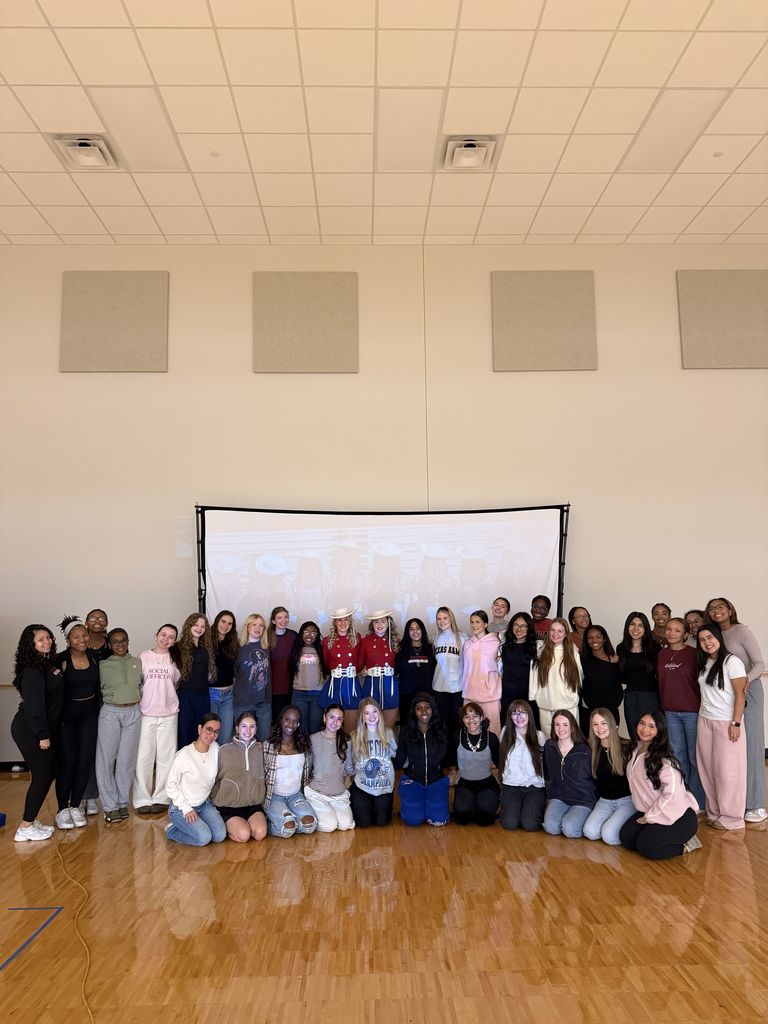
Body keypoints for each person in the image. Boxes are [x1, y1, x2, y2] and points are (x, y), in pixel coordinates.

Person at [704, 597, 766, 824]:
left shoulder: (741, 631)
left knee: (753, 747)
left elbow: (759, 663)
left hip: (748, 691)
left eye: (720, 606)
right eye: (711, 608)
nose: (716, 611)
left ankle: (756, 804)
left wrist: (744, 681)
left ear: (730, 609)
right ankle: (735, 803)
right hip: (725, 697)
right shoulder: (712, 635)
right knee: (733, 751)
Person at [620, 711, 700, 859]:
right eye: (642, 724)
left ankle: (688, 844)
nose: (645, 729)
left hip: (678, 816)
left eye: (651, 726)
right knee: (627, 838)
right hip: (650, 810)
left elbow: (672, 797)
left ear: (659, 731)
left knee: (647, 847)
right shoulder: (635, 749)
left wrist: (650, 817)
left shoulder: (665, 762)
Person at [11, 625, 63, 842]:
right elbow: (34, 707)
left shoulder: (45, 664)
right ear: (30, 644)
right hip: (31, 729)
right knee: (42, 776)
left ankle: (31, 820)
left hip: (41, 727)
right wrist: (43, 735)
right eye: (41, 639)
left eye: (48, 637)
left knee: (49, 773)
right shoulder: (33, 670)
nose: (47, 642)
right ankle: (25, 826)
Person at [696, 623, 748, 831]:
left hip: (727, 722)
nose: (707, 642)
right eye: (702, 639)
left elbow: (740, 695)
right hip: (705, 720)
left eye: (710, 637)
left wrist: (735, 723)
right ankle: (715, 811)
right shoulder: (705, 662)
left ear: (718, 637)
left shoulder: (732, 661)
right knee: (708, 769)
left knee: (728, 772)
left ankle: (732, 817)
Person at [54, 617, 99, 830]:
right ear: (68, 639)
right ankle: (62, 809)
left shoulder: (95, 657)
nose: (82, 639)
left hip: (89, 717)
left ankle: (75, 805)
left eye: (84, 635)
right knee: (68, 763)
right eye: (76, 636)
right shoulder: (60, 660)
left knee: (84, 762)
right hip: (67, 719)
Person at [657, 617, 706, 811]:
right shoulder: (662, 654)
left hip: (692, 712)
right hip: (670, 712)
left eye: (677, 630)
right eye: (669, 629)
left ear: (685, 634)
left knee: (695, 758)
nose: (671, 633)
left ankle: (699, 802)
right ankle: (682, 799)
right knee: (678, 756)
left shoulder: (694, 654)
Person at [95, 628, 142, 823]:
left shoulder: (137, 662)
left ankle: (122, 802)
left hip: (133, 713)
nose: (120, 645)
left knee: (126, 761)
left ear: (128, 641)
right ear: (109, 644)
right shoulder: (102, 665)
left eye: (124, 641)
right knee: (106, 761)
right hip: (111, 713)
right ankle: (109, 805)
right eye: (115, 641)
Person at [134, 623, 180, 815]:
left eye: (171, 637)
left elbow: (176, 682)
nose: (166, 639)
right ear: (156, 635)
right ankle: (142, 798)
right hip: (146, 713)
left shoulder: (175, 659)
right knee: (144, 757)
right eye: (163, 635)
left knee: (166, 758)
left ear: (174, 641)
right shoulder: (144, 657)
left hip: (169, 714)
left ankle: (162, 797)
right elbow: (139, 683)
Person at [166, 713, 227, 846]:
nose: (212, 735)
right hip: (181, 807)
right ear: (200, 729)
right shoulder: (184, 755)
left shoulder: (215, 748)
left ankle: (195, 825)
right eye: (209, 729)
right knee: (203, 838)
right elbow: (170, 786)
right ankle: (172, 829)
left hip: (204, 804)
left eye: (216, 732)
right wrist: (186, 808)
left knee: (219, 835)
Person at [394, 692, 449, 827]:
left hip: (436, 780)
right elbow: (399, 759)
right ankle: (413, 806)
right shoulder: (406, 731)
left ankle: (428, 804)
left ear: (433, 709)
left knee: (439, 821)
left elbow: (445, 757)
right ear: (414, 711)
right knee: (412, 820)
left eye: (427, 707)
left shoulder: (441, 728)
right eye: (419, 708)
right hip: (413, 779)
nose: (424, 712)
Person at [211, 711, 267, 842]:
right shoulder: (224, 750)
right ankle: (225, 825)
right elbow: (213, 779)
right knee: (244, 835)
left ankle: (243, 824)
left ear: (256, 729)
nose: (248, 730)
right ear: (237, 728)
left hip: (253, 805)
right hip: (229, 806)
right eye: (244, 726)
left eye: (252, 726)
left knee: (260, 834)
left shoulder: (261, 749)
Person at [262, 705, 317, 838]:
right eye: (287, 719)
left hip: (296, 795)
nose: (290, 724)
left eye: (295, 721)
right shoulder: (268, 745)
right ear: (281, 720)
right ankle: (274, 823)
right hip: (274, 797)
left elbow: (309, 773)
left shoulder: (304, 745)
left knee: (310, 825)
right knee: (288, 829)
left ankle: (289, 820)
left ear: (299, 723)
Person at [582, 709, 635, 845]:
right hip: (605, 801)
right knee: (590, 832)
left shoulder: (628, 747)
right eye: (595, 724)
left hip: (626, 800)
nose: (600, 728)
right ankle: (614, 821)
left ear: (612, 724)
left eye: (604, 723)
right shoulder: (592, 750)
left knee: (609, 836)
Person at [542, 710, 597, 838]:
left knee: (569, 829)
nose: (561, 729)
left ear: (572, 727)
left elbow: (594, 778)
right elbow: (547, 775)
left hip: (582, 799)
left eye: (565, 725)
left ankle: (582, 819)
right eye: (557, 725)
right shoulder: (549, 746)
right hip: (559, 797)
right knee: (551, 827)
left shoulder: (585, 750)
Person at [446, 702, 500, 826]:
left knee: (484, 819)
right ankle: (470, 804)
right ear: (463, 720)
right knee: (462, 818)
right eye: (467, 717)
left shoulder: (491, 737)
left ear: (481, 718)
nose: (471, 720)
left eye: (475, 716)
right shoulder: (457, 736)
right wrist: (453, 773)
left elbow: (500, 763)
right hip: (465, 784)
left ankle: (481, 804)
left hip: (487, 784)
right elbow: (452, 760)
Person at [305, 704, 355, 833]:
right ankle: (314, 813)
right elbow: (308, 767)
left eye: (339, 719)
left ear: (342, 721)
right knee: (329, 826)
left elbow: (349, 768)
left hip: (339, 794)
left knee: (345, 825)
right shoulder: (313, 739)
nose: (335, 722)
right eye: (331, 717)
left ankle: (331, 811)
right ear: (324, 718)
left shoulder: (346, 740)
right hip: (317, 793)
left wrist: (347, 785)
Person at [498, 700, 546, 831]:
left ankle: (530, 811)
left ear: (529, 714)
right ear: (510, 716)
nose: (519, 718)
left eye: (523, 713)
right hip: (512, 785)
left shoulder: (539, 736)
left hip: (534, 786)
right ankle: (511, 810)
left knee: (530, 824)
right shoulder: (505, 733)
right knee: (510, 824)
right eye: (515, 713)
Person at [349, 698, 397, 828]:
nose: (371, 716)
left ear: (379, 713)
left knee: (382, 821)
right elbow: (351, 764)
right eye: (366, 713)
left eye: (374, 711)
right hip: (362, 786)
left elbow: (394, 757)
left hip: (383, 786)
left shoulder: (388, 733)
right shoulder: (355, 736)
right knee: (364, 822)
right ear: (362, 716)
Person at [529, 618, 582, 734]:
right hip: (545, 706)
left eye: (560, 631)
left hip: (567, 706)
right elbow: (534, 677)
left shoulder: (572, 652)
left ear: (565, 634)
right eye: (553, 630)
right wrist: (534, 695)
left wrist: (570, 697)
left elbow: (577, 679)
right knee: (550, 744)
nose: (555, 634)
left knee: (569, 742)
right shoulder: (541, 651)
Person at [617, 611, 660, 742]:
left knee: (651, 736)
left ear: (645, 628)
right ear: (627, 627)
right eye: (632, 624)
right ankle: (637, 761)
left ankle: (652, 762)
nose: (636, 628)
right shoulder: (621, 648)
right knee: (635, 735)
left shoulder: (654, 647)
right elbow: (622, 676)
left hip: (650, 697)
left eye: (640, 625)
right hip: (630, 697)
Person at [176, 613, 216, 748]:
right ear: (189, 626)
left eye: (203, 626)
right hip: (185, 696)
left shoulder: (207, 647)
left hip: (203, 695)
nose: (199, 628)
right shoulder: (178, 647)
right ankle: (184, 767)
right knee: (185, 732)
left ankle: (199, 765)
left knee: (201, 732)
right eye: (196, 625)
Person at [320, 608, 361, 734]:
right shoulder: (327, 640)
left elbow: (359, 662)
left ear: (350, 621)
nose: (343, 623)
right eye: (339, 620)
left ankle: (349, 753)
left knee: (351, 729)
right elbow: (327, 662)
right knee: (332, 727)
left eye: (346, 620)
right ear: (335, 623)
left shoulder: (357, 638)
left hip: (351, 685)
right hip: (334, 685)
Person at [461, 610, 501, 736]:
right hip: (470, 694)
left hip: (490, 695)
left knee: (492, 729)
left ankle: (494, 755)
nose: (474, 625)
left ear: (485, 624)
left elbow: (501, 668)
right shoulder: (467, 644)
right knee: (471, 729)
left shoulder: (496, 643)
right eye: (472, 622)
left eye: (478, 622)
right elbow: (464, 667)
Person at [358, 610, 400, 729]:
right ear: (372, 624)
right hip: (372, 684)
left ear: (388, 623)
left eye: (383, 621)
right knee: (370, 726)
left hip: (389, 685)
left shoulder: (395, 641)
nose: (380, 625)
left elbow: (400, 664)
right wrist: (363, 669)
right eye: (376, 622)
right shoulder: (365, 641)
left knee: (388, 728)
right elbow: (360, 664)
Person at [233, 614, 272, 742]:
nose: (257, 628)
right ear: (247, 627)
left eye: (261, 625)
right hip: (243, 701)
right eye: (254, 624)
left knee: (263, 739)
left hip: (263, 702)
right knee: (242, 740)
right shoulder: (238, 648)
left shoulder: (267, 648)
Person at [579, 625, 623, 733]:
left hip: (611, 710)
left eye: (598, 637)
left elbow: (618, 684)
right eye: (590, 637)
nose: (594, 640)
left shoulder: (615, 659)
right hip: (589, 711)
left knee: (610, 744)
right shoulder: (581, 661)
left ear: (604, 639)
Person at [432, 606, 467, 738]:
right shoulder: (435, 639)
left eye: (445, 618)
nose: (442, 621)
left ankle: (456, 755)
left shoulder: (463, 638)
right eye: (439, 619)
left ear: (451, 618)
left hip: (457, 688)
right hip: (439, 687)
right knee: (442, 724)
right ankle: (444, 755)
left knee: (457, 724)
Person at [395, 617, 436, 728]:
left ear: (422, 630)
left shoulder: (430, 648)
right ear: (407, 632)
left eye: (418, 628)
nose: (415, 632)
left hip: (426, 696)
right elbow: (395, 670)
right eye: (411, 629)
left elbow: (434, 672)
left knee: (425, 726)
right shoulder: (400, 649)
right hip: (406, 695)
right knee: (407, 726)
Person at [499, 612, 538, 725]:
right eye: (516, 625)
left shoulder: (537, 647)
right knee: (508, 725)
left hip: (527, 694)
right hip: (507, 693)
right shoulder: (504, 646)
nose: (519, 629)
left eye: (523, 626)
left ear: (528, 628)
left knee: (527, 726)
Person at [289, 621, 327, 736]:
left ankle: (314, 753)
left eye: (313, 633)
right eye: (306, 632)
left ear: (317, 635)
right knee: (301, 729)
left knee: (315, 729)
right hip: (299, 694)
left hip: (317, 695)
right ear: (301, 634)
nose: (309, 636)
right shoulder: (296, 650)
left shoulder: (321, 650)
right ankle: (303, 752)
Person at [210, 610, 238, 745]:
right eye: (223, 621)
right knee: (210, 736)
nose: (225, 626)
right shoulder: (206, 641)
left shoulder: (233, 643)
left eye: (229, 624)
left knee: (225, 737)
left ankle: (222, 766)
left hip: (228, 695)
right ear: (217, 621)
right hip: (211, 694)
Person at [267, 606, 298, 724]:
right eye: (279, 617)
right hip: (273, 688)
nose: (283, 620)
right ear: (273, 621)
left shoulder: (293, 636)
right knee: (277, 721)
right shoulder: (267, 637)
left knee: (289, 720)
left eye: (286, 617)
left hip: (291, 686)